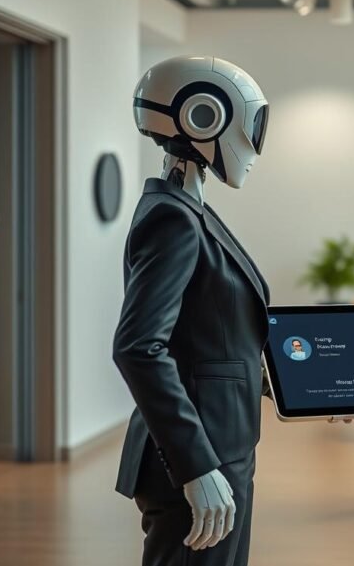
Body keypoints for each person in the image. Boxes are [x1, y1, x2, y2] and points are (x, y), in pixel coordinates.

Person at [113, 56, 271, 566]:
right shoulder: (173, 219)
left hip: (223, 447)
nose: (255, 144)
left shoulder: (189, 210)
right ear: (204, 116)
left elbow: (209, 341)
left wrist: (311, 389)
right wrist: (195, 467)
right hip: (199, 459)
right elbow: (139, 348)